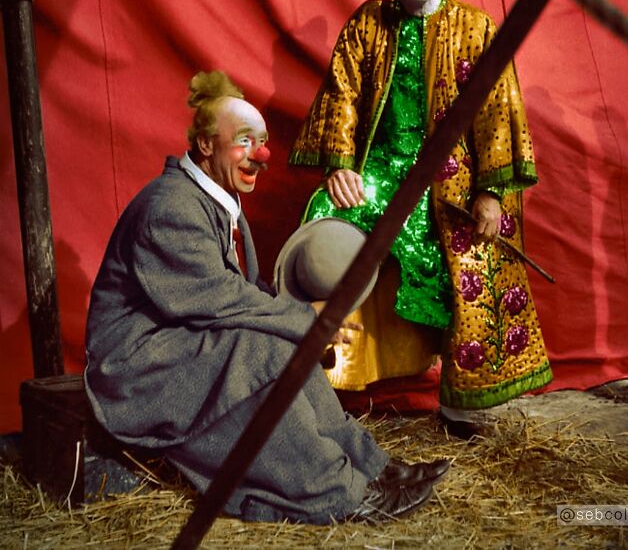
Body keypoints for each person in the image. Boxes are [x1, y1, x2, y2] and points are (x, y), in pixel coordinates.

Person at [85, 70, 448, 525]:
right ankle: (338, 495)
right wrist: (309, 323)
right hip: (138, 369)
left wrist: (301, 331)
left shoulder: (212, 199)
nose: (261, 154)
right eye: (244, 140)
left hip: (179, 340)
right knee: (261, 350)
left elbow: (233, 298)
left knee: (282, 344)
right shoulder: (171, 207)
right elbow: (220, 300)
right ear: (205, 146)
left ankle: (370, 467)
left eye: (262, 140)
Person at [289, 0, 552, 435]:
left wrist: (491, 191)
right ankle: (326, 385)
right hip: (379, 172)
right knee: (325, 225)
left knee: (470, 251)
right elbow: (342, 94)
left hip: (451, 181)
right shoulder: (367, 22)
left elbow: (499, 114)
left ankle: (460, 406)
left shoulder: (477, 28)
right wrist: (339, 165)